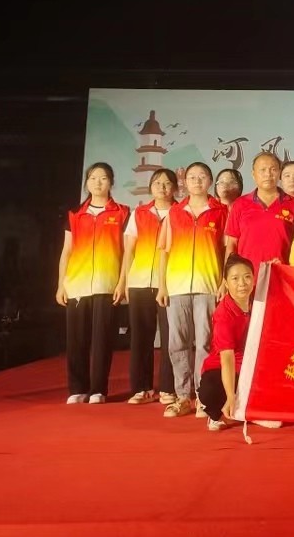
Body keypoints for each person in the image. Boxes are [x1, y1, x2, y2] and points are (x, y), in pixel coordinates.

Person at [156, 162, 229, 418]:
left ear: (210, 181)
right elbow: (164, 252)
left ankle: (202, 397)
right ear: (184, 182)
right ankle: (182, 396)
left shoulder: (221, 212)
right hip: (176, 286)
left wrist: (224, 282)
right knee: (177, 343)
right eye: (192, 177)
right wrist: (162, 285)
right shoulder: (174, 213)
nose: (197, 181)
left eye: (202, 176)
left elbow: (227, 250)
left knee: (206, 344)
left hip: (208, 286)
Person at [55, 162, 130, 405]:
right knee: (76, 339)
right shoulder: (75, 214)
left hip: (107, 283)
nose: (98, 182)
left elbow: (128, 252)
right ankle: (77, 388)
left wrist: (122, 283)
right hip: (77, 283)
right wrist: (61, 284)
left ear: (111, 182)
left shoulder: (122, 213)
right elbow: (66, 251)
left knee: (103, 339)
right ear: (86, 183)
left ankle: (99, 389)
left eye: (103, 178)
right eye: (93, 178)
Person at [115, 168, 178, 406]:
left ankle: (168, 387)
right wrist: (123, 281)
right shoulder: (139, 213)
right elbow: (129, 251)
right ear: (150, 187)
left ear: (175, 188)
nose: (162, 187)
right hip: (139, 282)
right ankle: (141, 388)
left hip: (170, 283)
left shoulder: (180, 213)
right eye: (157, 183)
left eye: (167, 183)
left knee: (170, 337)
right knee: (141, 337)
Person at [224, 152, 294, 278]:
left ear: (279, 173)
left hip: (283, 277)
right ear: (253, 174)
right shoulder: (240, 204)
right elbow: (232, 244)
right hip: (246, 279)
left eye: (273, 169)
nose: (268, 174)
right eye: (263, 170)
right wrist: (226, 277)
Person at [197, 254, 254, 431]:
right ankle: (217, 412)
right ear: (226, 283)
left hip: (252, 365)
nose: (242, 283)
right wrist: (230, 396)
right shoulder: (223, 315)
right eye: (235, 279)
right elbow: (227, 358)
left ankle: (253, 411)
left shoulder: (258, 300)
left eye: (247, 277)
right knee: (210, 390)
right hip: (224, 366)